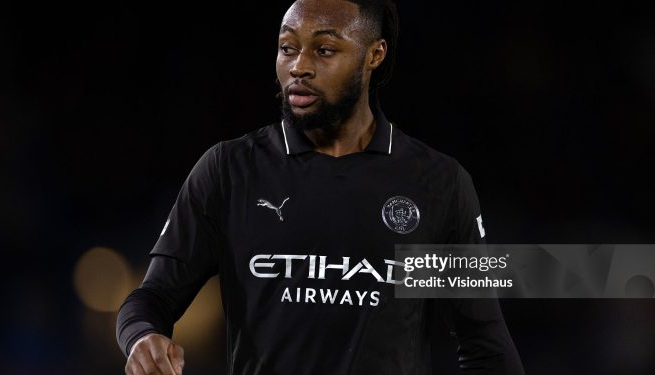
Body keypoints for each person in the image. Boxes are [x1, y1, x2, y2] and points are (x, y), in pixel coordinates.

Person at [116, 0, 525, 374]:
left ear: (374, 55)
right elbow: (152, 298)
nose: (298, 67)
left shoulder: (437, 183)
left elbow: (485, 347)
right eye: (287, 48)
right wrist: (142, 337)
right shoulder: (229, 171)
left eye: (324, 50)